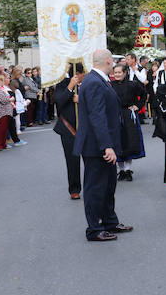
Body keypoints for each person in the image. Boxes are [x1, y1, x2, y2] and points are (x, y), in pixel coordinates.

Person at [74, 49, 133, 241]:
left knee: (108, 186)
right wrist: (106, 146)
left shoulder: (97, 80)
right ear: (109, 61)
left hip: (103, 144)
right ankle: (94, 229)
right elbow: (96, 116)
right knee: (95, 188)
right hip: (96, 146)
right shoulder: (93, 82)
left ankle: (110, 222)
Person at [53, 65, 87, 200]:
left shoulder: (90, 84)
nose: (84, 74)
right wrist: (70, 87)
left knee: (90, 160)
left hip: (86, 128)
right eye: (82, 72)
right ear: (76, 74)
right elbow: (59, 101)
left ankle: (92, 186)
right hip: (68, 128)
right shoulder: (63, 84)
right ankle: (74, 189)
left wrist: (82, 99)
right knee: (72, 161)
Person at [111, 64, 146, 181]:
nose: (117, 74)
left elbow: (144, 94)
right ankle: (120, 170)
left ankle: (127, 169)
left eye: (119, 72)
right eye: (115, 72)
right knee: (118, 142)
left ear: (125, 72)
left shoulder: (132, 84)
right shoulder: (109, 86)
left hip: (129, 115)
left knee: (130, 141)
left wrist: (138, 105)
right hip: (115, 116)